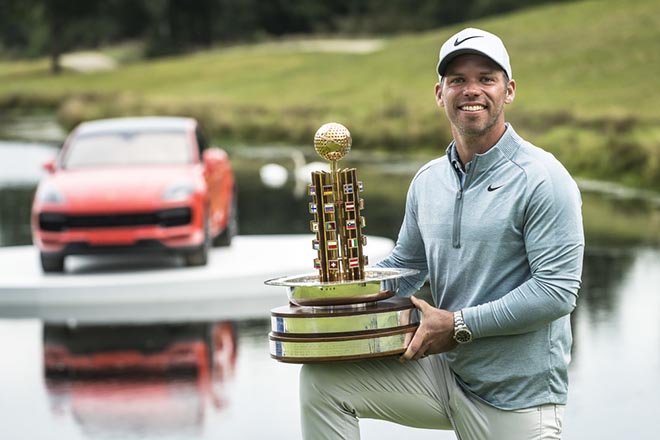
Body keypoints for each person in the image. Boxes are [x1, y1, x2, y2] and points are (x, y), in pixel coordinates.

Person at [299, 27, 584, 440]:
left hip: (519, 399)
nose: (472, 90)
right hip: (448, 377)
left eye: (486, 79)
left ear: (509, 91)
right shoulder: (429, 180)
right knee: (322, 383)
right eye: (458, 80)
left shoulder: (543, 178)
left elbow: (556, 292)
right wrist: (339, 292)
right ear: (439, 93)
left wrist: (458, 325)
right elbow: (407, 266)